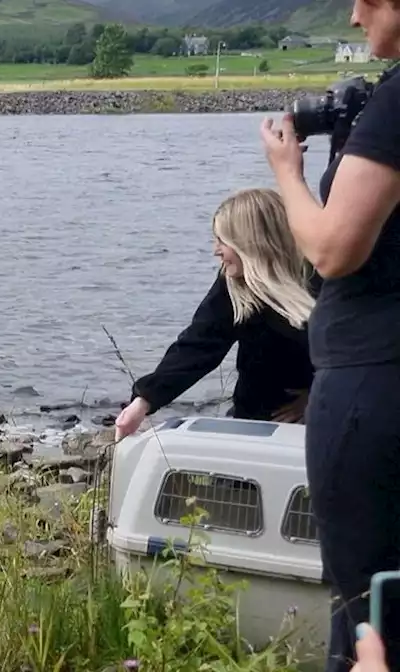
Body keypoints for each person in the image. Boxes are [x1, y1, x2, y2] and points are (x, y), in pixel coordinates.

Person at [259, 1, 400, 670]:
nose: (352, 17)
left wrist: (287, 173)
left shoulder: (396, 105)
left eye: (366, 1)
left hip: (374, 373)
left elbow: (335, 249)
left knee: (366, 602)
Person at [114, 187, 318, 440]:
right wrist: (143, 402)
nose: (215, 250)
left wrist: (317, 396)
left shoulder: (319, 279)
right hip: (253, 415)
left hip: (321, 416)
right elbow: (198, 346)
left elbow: (359, 353)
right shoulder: (232, 284)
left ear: (250, 242)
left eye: (222, 241)